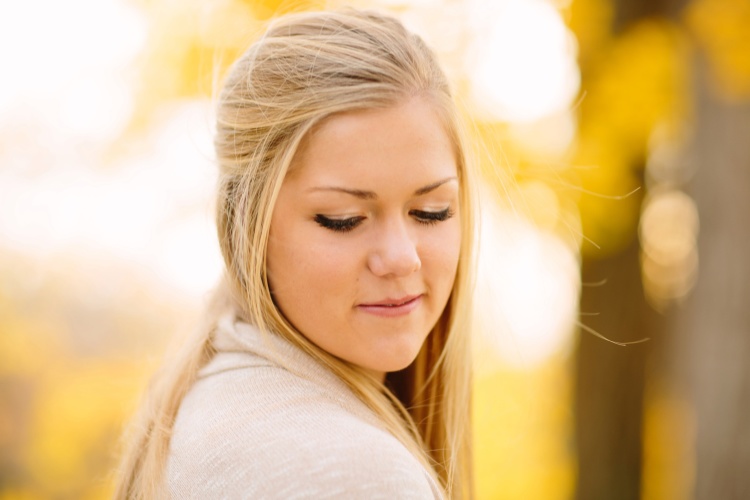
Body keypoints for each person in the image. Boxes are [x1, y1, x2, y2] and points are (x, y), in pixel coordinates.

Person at [116, 8, 477, 499]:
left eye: (431, 212)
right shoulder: (348, 473)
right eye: (343, 220)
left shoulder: (215, 398)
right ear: (247, 229)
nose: (401, 257)